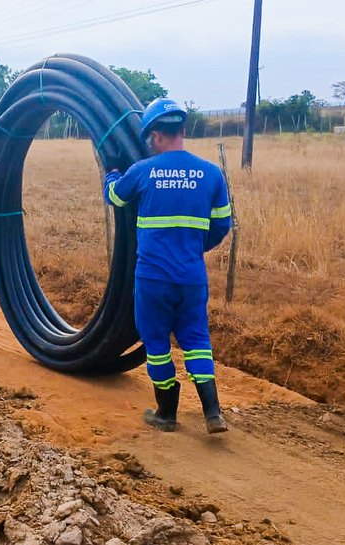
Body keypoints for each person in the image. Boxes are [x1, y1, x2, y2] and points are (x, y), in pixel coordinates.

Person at [103, 98, 232, 434]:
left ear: (155, 135)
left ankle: (166, 413)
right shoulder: (211, 174)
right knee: (197, 339)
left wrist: (111, 173)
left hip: (153, 278)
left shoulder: (143, 171)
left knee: (157, 343)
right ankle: (213, 413)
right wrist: (192, 247)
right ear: (183, 130)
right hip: (191, 276)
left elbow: (115, 198)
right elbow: (222, 225)